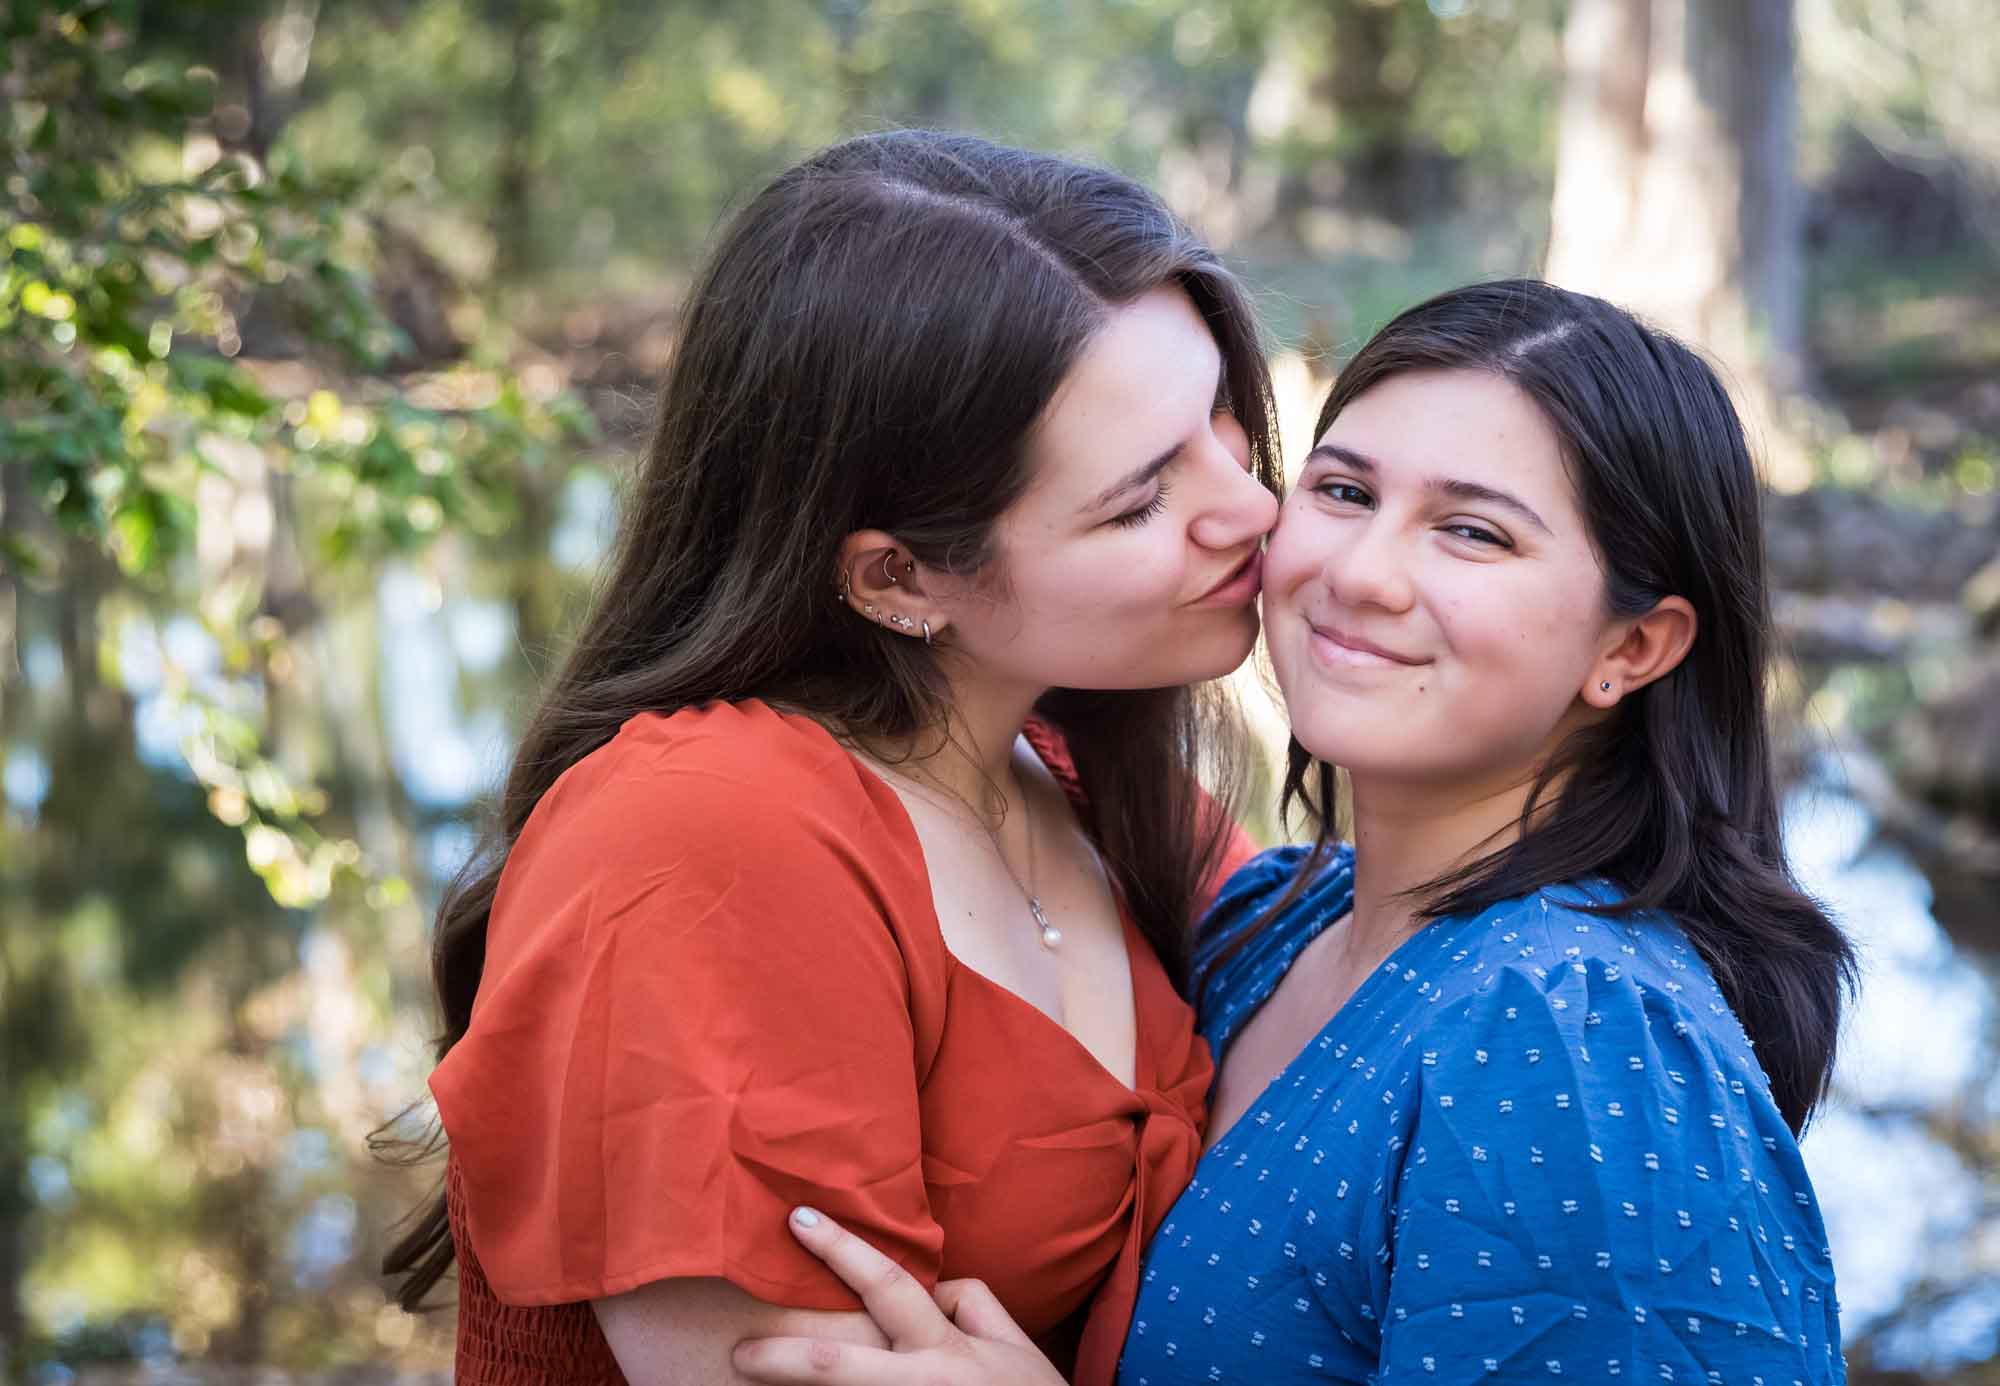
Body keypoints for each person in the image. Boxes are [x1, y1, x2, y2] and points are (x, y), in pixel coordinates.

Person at [732, 280, 1857, 1386]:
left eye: (1470, 533)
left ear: (1633, 649)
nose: (1359, 575)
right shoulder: (1265, 923)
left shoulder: (1573, 1031)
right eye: (1343, 492)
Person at [379, 129, 1284, 1386]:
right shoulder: (704, 844)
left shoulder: (1087, 787)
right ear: (897, 576)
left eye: (1224, 424)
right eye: (1139, 500)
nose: (1255, 510)